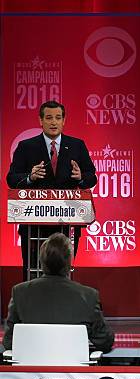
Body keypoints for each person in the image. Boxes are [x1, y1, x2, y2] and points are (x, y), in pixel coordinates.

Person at [6, 100, 97, 281]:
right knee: (33, 273)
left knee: (64, 273)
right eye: (49, 118)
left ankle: (63, 307)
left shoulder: (77, 145)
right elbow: (11, 179)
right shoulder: (26, 146)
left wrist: (81, 177)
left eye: (58, 118)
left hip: (67, 223)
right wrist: (30, 178)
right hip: (34, 225)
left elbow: (91, 177)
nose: (53, 122)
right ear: (41, 121)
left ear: (64, 121)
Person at [2, 233, 114, 353]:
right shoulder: (89, 296)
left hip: (31, 369)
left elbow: (9, 342)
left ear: (42, 262)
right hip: (73, 371)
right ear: (69, 262)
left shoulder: (19, 292)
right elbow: (105, 341)